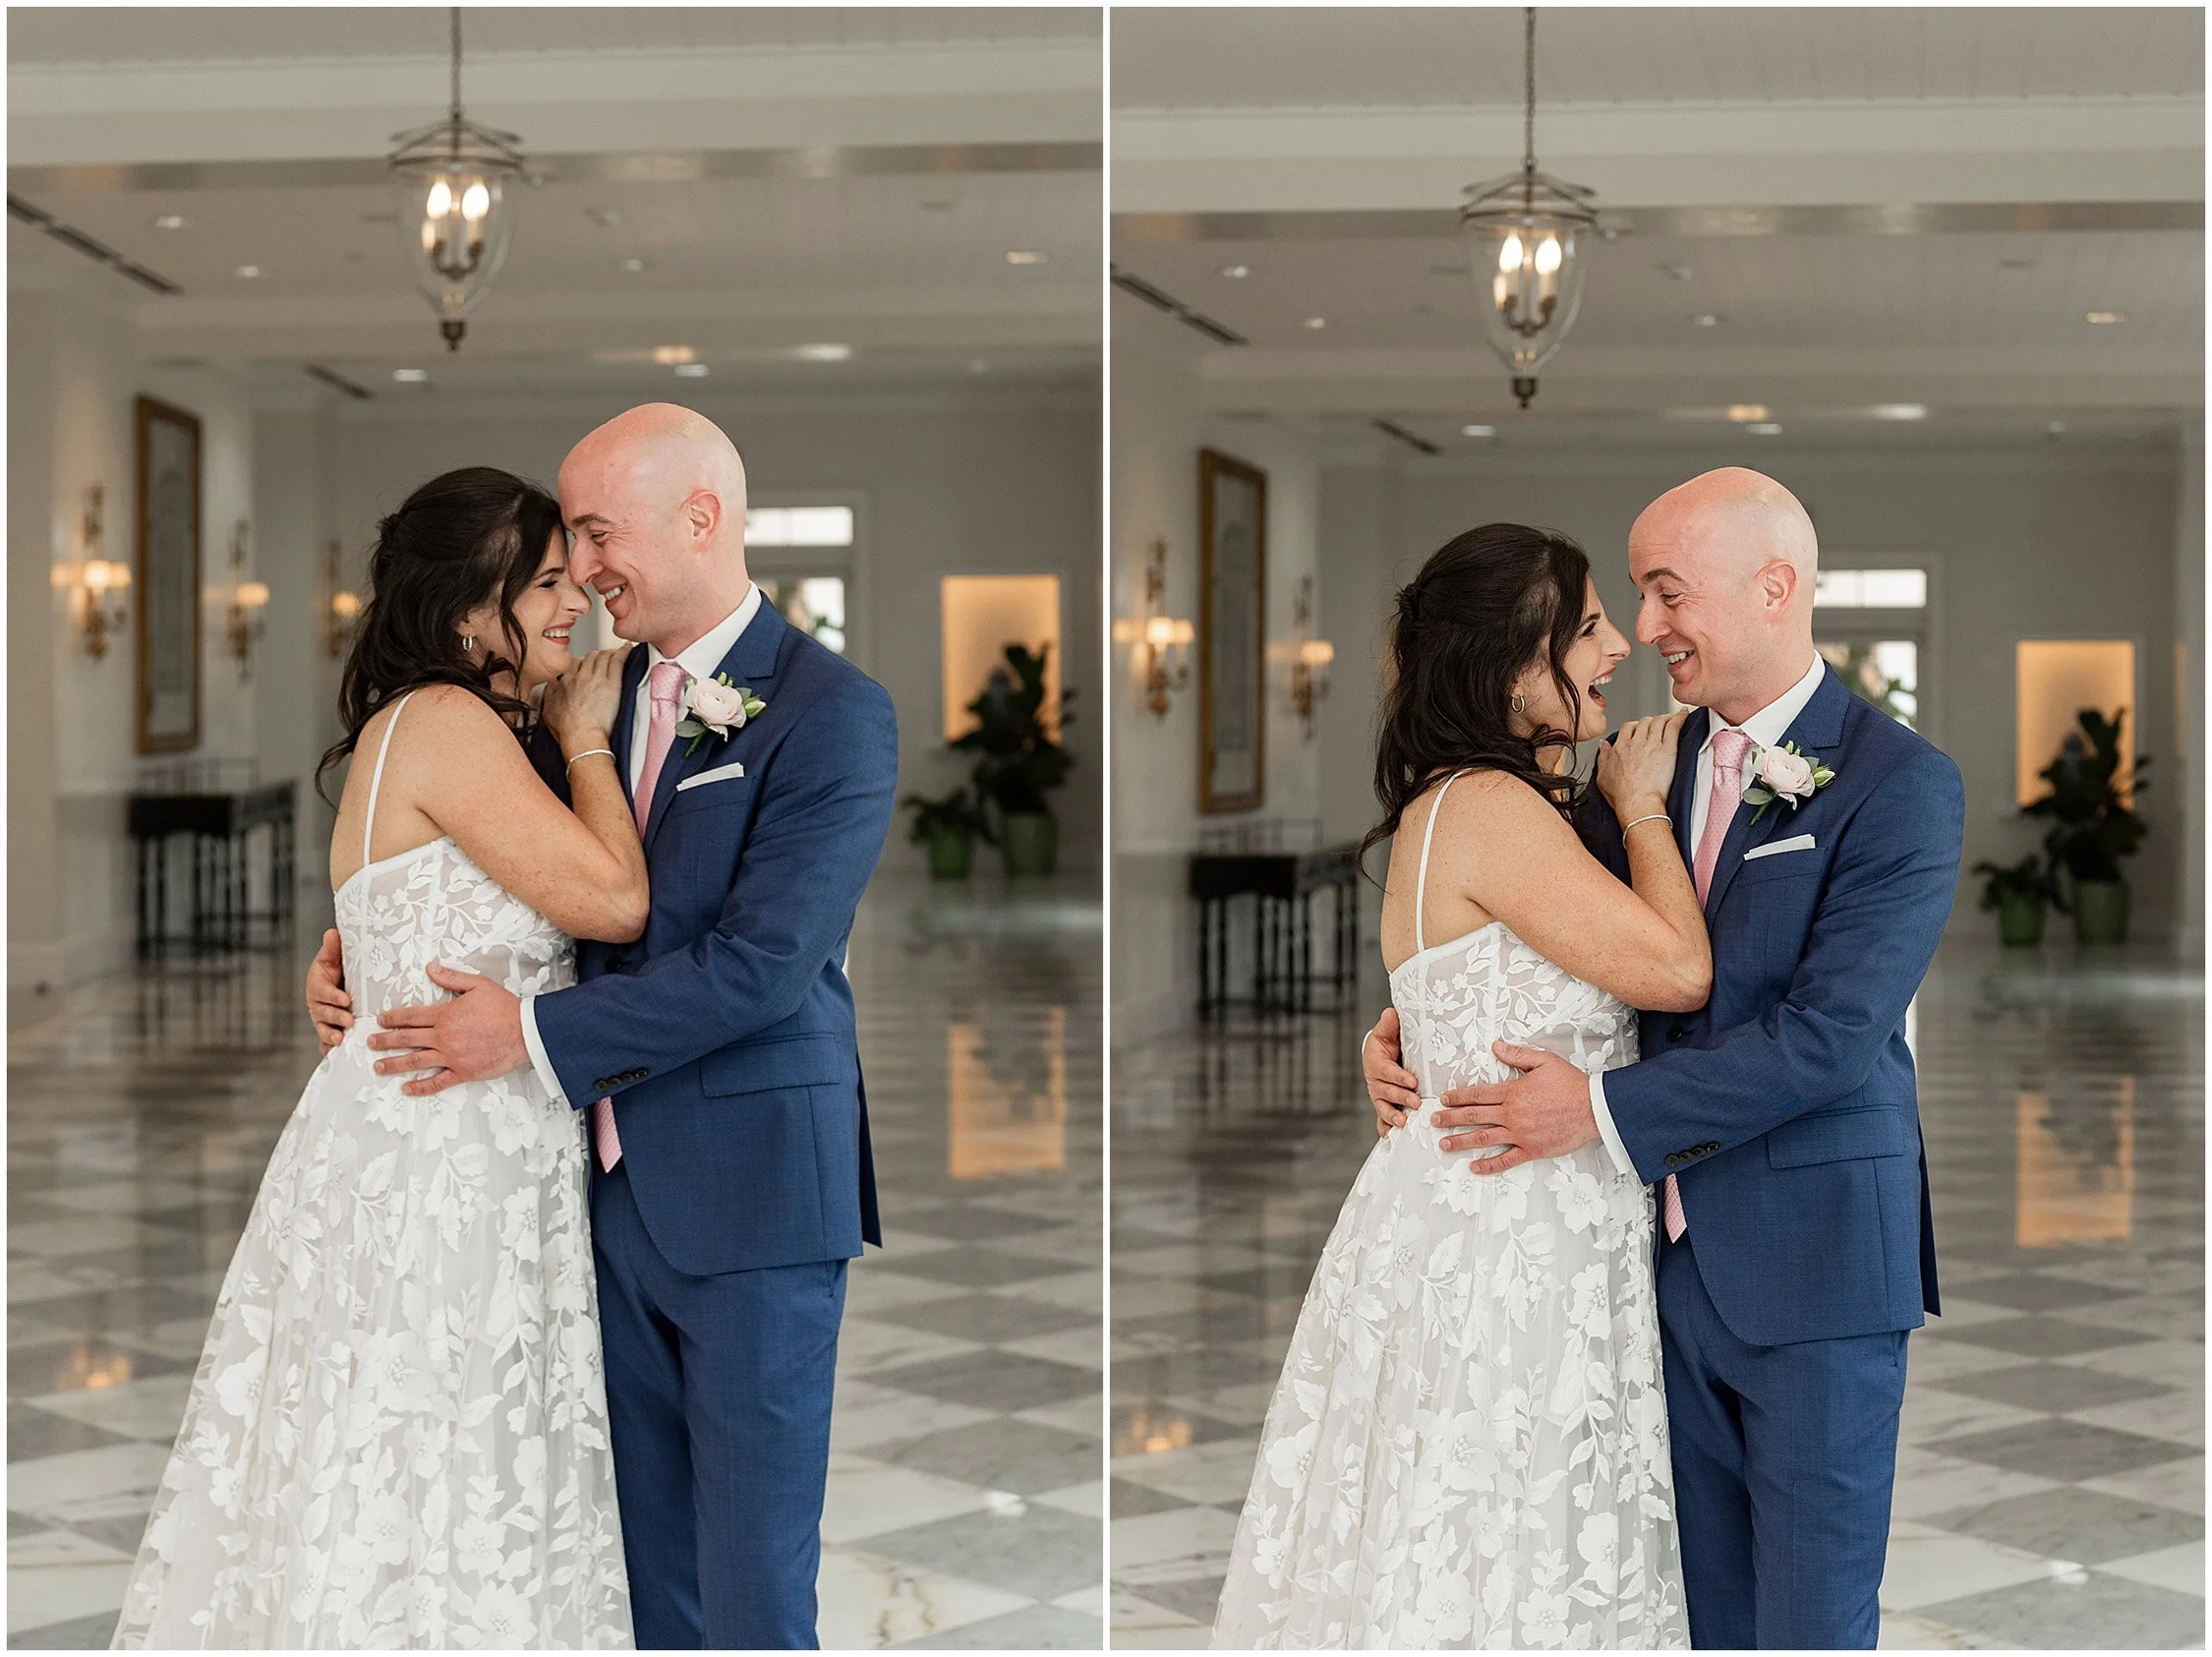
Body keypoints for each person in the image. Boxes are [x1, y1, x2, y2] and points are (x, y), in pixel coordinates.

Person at [309, 405, 899, 1649]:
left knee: (751, 1585)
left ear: (701, 518)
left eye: (594, 531)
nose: (580, 569)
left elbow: (763, 967)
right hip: (580, 1198)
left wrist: (524, 1032)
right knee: (634, 1577)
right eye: (568, 544)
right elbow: (497, 873)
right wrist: (365, 955)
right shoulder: (570, 697)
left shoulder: (829, 708)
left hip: (748, 1200)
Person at [1365, 468, 1963, 1649]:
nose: (1645, 630)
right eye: (1635, 596)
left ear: (1775, 587)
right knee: (1689, 1618)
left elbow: (1828, 1038)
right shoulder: (1634, 767)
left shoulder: (1900, 784)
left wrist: (1594, 1105)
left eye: (1667, 592)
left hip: (1817, 1267)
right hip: (1641, 1277)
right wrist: (1408, 1023)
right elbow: (1524, 933)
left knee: (1809, 1622)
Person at [114, 467, 640, 1648]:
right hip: (439, 1156)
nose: (576, 604)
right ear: (469, 606)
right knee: (432, 1451)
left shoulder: (444, 727)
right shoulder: (449, 722)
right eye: (548, 582)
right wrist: (591, 742)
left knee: (422, 1453)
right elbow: (612, 898)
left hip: (443, 1133)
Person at [1213, 522, 1705, 1649]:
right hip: (1508, 1234)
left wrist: (1403, 1039)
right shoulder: (1487, 806)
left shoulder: (1479, 800)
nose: (1618, 643)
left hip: (1501, 1212)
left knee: (1491, 1531)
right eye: (1587, 627)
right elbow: (1679, 972)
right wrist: (1638, 801)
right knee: (1500, 1539)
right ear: (1509, 659)